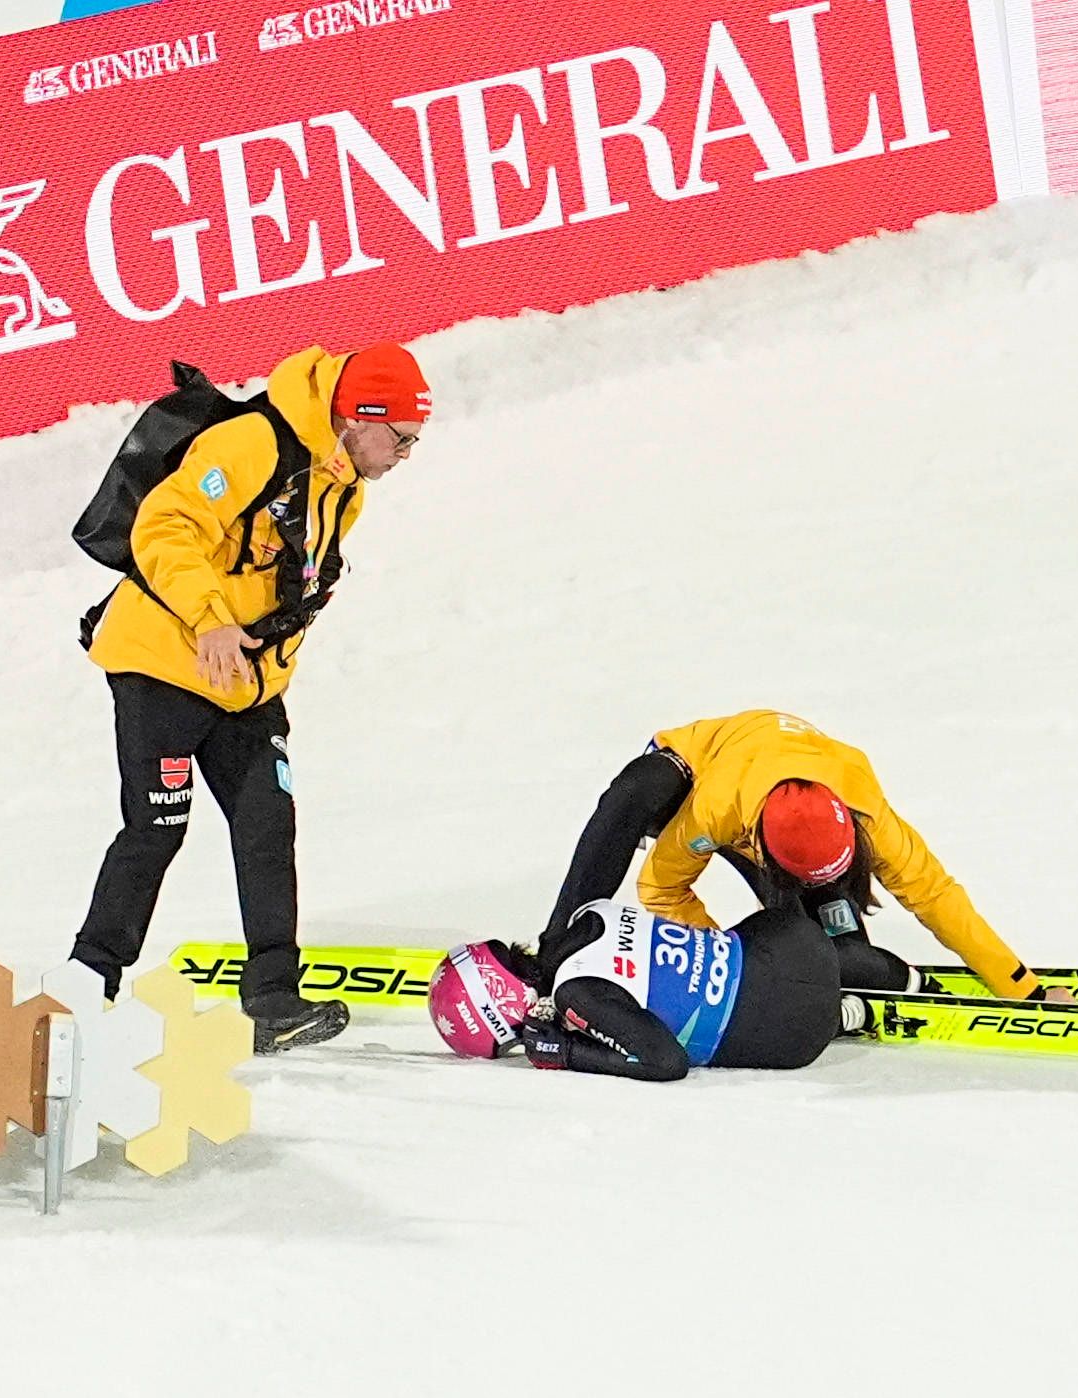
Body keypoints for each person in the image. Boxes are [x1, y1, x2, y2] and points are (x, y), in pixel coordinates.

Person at [70, 342, 430, 1052]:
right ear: (360, 417)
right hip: (162, 663)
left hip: (242, 681)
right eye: (401, 438)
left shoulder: (342, 486)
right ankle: (83, 986)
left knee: (267, 824)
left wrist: (266, 669)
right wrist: (210, 619)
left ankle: (273, 999)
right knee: (155, 830)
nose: (404, 455)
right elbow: (165, 525)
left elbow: (285, 584)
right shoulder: (253, 444)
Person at [533, 710, 1061, 1002]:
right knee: (633, 794)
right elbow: (661, 886)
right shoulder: (714, 811)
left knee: (835, 959)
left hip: (787, 800)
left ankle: (850, 949)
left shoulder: (869, 814)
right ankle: (554, 952)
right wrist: (725, 965)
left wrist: (1022, 985)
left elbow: (936, 894)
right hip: (698, 775)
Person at [430, 899, 850, 1083]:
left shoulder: (576, 992)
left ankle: (847, 1016)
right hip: (798, 940)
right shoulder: (584, 918)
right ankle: (868, 986)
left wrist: (567, 1053)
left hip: (795, 1035)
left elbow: (666, 1062)